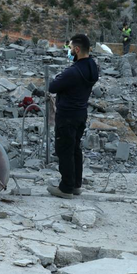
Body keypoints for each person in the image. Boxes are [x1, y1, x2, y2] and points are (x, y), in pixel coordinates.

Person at [46, 34, 99, 199]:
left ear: (77, 49)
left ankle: (66, 187)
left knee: (64, 150)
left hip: (67, 115)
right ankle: (76, 184)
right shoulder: (92, 67)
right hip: (81, 113)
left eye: (70, 48)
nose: (69, 52)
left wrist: (60, 77)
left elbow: (53, 87)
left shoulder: (73, 71)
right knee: (75, 149)